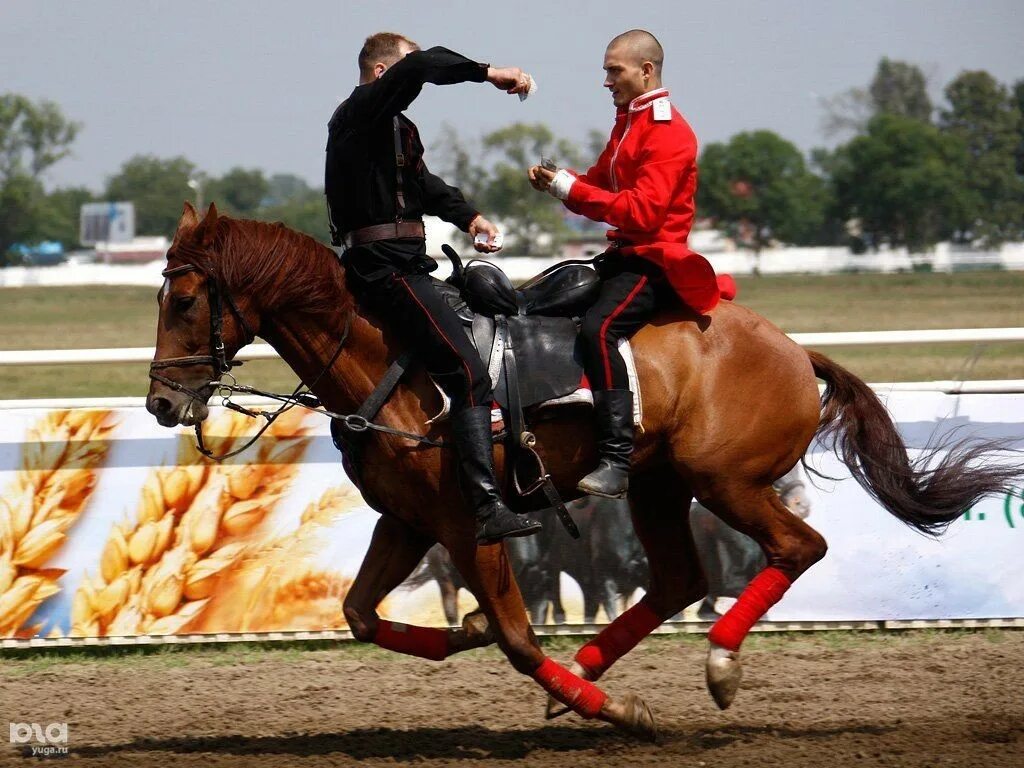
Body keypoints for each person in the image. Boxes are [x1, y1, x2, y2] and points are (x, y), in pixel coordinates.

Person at [325, 32, 541, 543]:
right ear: (382, 75)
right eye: (403, 70)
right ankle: (486, 505)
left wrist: (472, 218)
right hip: (382, 268)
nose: (411, 79)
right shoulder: (359, 111)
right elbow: (420, 66)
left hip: (406, 263)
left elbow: (422, 185)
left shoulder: (398, 127)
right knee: (466, 369)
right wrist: (489, 71)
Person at [528, 29, 725, 499]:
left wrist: (569, 190)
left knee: (599, 327)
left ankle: (616, 459)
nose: (606, 81)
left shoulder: (669, 132)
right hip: (623, 256)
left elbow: (643, 212)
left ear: (646, 70)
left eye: (613, 71)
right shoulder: (629, 123)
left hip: (656, 262)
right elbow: (599, 183)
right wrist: (562, 180)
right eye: (606, 71)